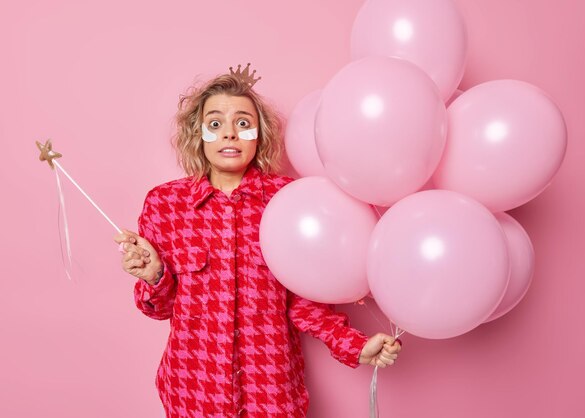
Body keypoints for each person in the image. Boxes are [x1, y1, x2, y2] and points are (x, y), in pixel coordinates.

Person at [114, 65, 401, 417]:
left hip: (272, 393)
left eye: (243, 123)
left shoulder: (288, 201)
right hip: (193, 390)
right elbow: (157, 308)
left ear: (259, 135)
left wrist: (354, 345)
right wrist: (155, 275)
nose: (230, 135)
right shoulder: (165, 205)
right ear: (198, 134)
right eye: (215, 124)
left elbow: (303, 300)